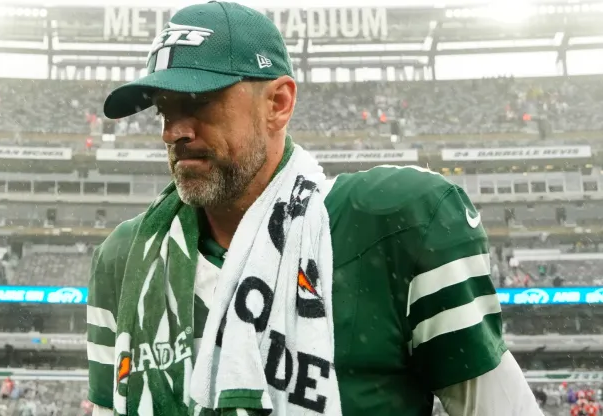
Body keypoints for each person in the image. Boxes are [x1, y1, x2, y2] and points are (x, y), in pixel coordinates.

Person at [86, 2, 541, 415]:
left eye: (199, 102)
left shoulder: (393, 223)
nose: (173, 131)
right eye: (164, 110)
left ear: (278, 105)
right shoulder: (125, 259)